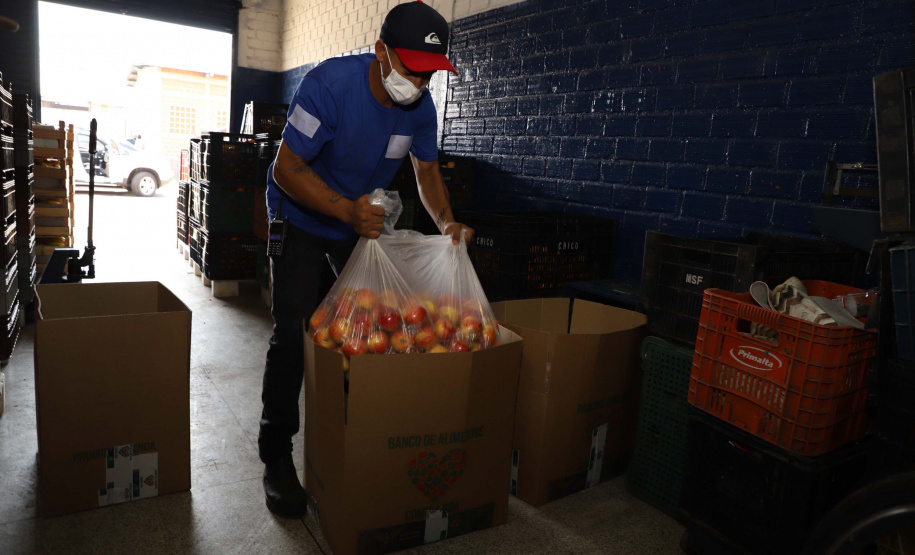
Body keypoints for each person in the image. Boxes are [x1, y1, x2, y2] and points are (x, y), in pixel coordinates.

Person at [259, 0, 474, 518]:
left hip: (358, 223)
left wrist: (447, 223)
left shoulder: (421, 110)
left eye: (430, 75)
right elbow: (286, 168)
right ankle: (276, 455)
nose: (419, 84)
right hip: (305, 220)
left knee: (369, 330)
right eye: (411, 69)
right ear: (380, 51)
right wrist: (343, 211)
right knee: (293, 335)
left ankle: (361, 440)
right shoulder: (329, 86)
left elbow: (425, 174)